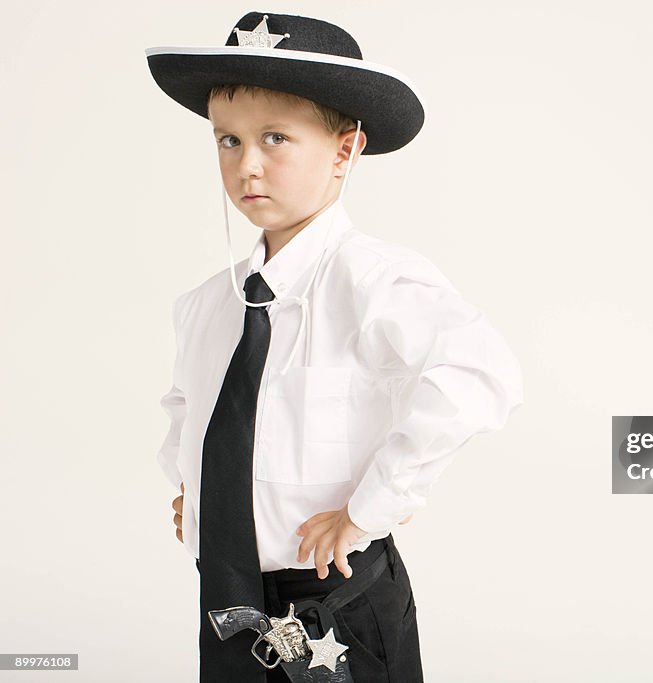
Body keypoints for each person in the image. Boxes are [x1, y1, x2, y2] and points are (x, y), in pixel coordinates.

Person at [146, 11, 523, 682]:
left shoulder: (373, 280)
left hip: (333, 607)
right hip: (228, 602)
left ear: (344, 150)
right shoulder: (209, 304)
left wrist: (366, 508)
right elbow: (192, 403)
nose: (247, 164)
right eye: (227, 140)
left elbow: (478, 372)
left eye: (274, 138)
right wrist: (196, 487)